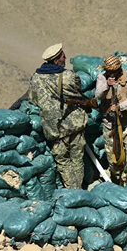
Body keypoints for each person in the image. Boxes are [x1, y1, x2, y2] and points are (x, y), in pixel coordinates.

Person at [29, 44, 91, 189]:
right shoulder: (69, 76)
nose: (65, 58)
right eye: (63, 56)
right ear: (57, 60)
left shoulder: (36, 77)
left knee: (62, 160)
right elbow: (78, 94)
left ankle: (71, 189)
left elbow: (33, 100)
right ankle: (77, 190)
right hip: (73, 124)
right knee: (76, 158)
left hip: (53, 127)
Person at [94, 55, 127, 185]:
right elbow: (98, 95)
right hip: (110, 125)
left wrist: (120, 107)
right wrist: (107, 86)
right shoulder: (102, 77)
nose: (112, 74)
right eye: (110, 71)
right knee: (114, 161)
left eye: (115, 71)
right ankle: (117, 185)